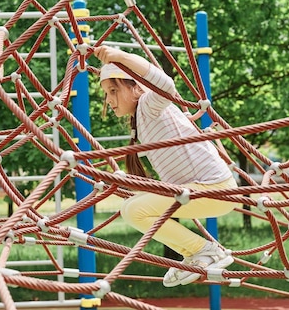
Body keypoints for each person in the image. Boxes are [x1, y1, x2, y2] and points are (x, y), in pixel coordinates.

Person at [93, 45, 238, 287]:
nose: (109, 99)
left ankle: (205, 250)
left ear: (136, 87)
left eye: (114, 90)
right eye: (106, 93)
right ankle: (195, 254)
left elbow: (166, 86)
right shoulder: (141, 119)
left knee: (134, 210)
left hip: (215, 188)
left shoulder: (149, 105)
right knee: (132, 206)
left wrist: (121, 57)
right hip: (205, 190)